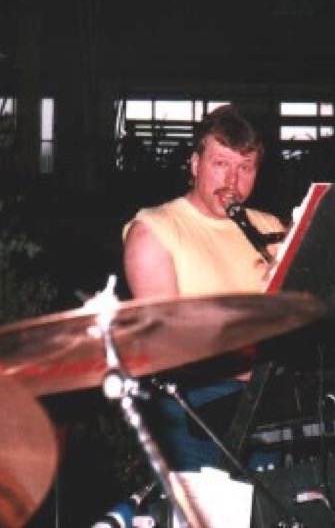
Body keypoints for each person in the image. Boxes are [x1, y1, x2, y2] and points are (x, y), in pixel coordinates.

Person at [122, 103, 285, 473]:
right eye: (220, 163)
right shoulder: (154, 230)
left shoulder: (271, 228)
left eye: (245, 168)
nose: (232, 181)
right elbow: (168, 346)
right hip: (196, 403)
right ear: (195, 164)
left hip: (268, 400)